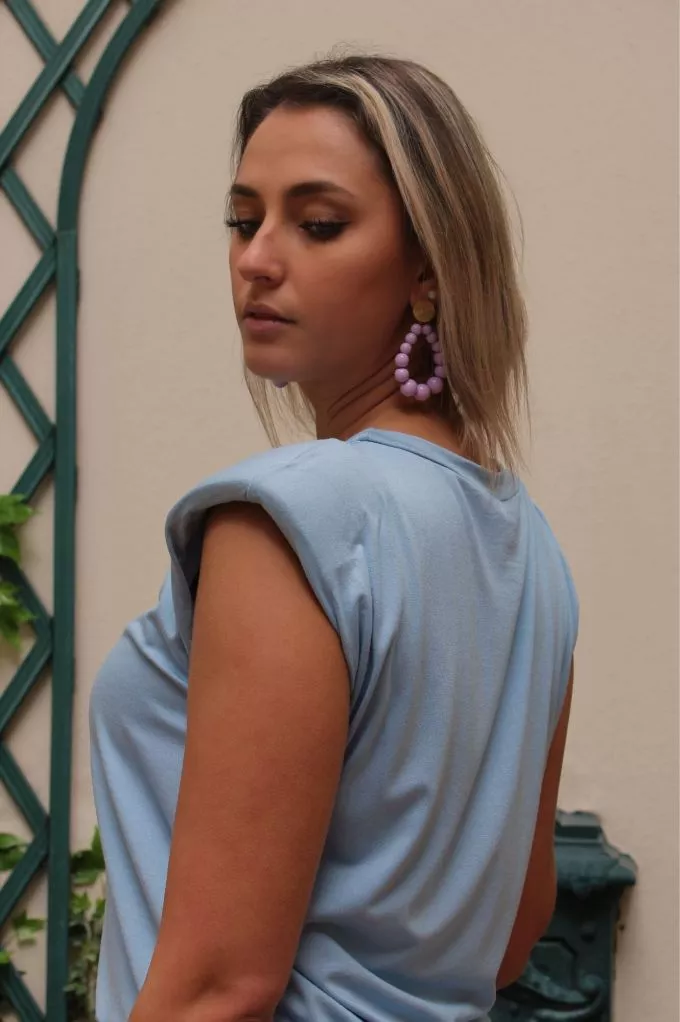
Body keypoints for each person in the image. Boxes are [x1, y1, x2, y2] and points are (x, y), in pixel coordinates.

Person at [90, 53, 578, 1022]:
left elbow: (218, 988)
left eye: (316, 224)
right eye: (244, 220)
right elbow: (514, 931)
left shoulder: (290, 515)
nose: (256, 258)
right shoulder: (529, 546)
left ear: (428, 271)